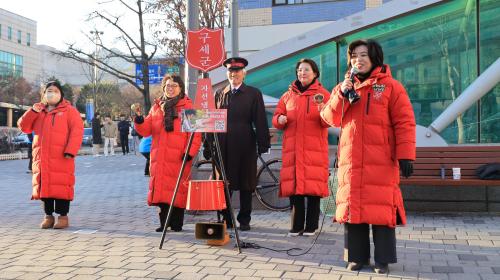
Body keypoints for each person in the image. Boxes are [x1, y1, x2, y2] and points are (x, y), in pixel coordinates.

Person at [320, 39, 416, 274]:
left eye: (363, 55)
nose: (358, 60)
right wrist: (342, 93)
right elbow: (328, 118)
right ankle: (356, 257)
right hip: (351, 161)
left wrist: (406, 155)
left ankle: (382, 260)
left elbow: (404, 122)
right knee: (354, 209)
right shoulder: (343, 86)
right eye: (354, 56)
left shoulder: (392, 87)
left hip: (381, 160)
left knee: (381, 210)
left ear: (374, 58)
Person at [203, 57, 270, 231]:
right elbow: (211, 120)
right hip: (223, 144)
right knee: (224, 182)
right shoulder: (219, 93)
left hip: (245, 143)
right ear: (227, 73)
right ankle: (226, 218)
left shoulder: (253, 93)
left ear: (244, 73)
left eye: (237, 71)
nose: (234, 75)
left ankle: (245, 219)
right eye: (231, 72)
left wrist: (263, 144)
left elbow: (260, 120)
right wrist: (208, 145)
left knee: (246, 183)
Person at [133, 74, 201, 232]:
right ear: (164, 88)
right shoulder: (157, 106)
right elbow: (147, 130)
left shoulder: (189, 107)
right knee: (162, 190)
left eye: (174, 86)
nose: (170, 89)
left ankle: (177, 223)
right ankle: (164, 223)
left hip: (179, 157)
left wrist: (189, 153)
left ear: (180, 88)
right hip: (160, 156)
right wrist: (139, 121)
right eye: (167, 86)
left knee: (177, 189)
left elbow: (196, 135)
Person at [272, 58, 331, 237]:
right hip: (293, 149)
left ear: (315, 73)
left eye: (306, 70)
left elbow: (329, 119)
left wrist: (323, 111)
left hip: (314, 150)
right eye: (299, 70)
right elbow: (277, 116)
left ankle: (311, 226)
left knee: (313, 190)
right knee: (295, 189)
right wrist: (279, 120)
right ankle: (296, 226)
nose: (302, 73)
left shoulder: (323, 94)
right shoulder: (288, 95)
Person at [17, 80, 84, 229]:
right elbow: (24, 127)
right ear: (44, 94)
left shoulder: (70, 111)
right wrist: (32, 111)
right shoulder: (38, 110)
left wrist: (70, 150)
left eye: (55, 91)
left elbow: (77, 132)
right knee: (44, 187)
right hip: (42, 156)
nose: (52, 93)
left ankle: (63, 217)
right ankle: (48, 216)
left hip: (62, 156)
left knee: (61, 186)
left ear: (61, 94)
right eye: (49, 91)